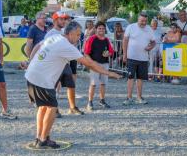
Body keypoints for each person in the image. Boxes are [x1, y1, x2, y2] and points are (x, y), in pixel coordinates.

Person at [25, 21, 121, 149]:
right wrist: (108, 73)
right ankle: (43, 139)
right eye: (77, 35)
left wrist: (30, 61)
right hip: (42, 79)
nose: (78, 38)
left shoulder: (55, 37)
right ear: (69, 34)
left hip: (32, 75)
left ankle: (40, 137)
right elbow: (90, 64)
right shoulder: (66, 46)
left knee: (43, 107)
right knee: (52, 108)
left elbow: (37, 45)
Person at [45, 11, 84, 116]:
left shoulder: (65, 31)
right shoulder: (50, 34)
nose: (63, 21)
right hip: (55, 64)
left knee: (71, 84)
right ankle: (54, 108)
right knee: (52, 86)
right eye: (61, 19)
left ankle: (72, 107)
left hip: (66, 62)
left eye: (64, 19)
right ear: (55, 20)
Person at [122, 12, 155, 105]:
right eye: (141, 21)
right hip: (131, 57)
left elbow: (153, 42)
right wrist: (124, 54)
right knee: (130, 77)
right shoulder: (131, 27)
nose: (143, 23)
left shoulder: (149, 29)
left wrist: (151, 47)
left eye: (145, 21)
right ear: (138, 19)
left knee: (140, 78)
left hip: (143, 58)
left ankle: (139, 97)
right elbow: (125, 40)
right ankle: (128, 97)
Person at [84, 21, 114, 111]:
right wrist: (91, 63)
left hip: (105, 64)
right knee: (93, 84)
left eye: (103, 28)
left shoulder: (106, 40)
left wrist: (108, 54)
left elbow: (112, 51)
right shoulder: (91, 39)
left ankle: (102, 100)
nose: (101, 30)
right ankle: (90, 102)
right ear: (96, 30)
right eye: (99, 28)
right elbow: (86, 53)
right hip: (95, 64)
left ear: (105, 30)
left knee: (103, 83)